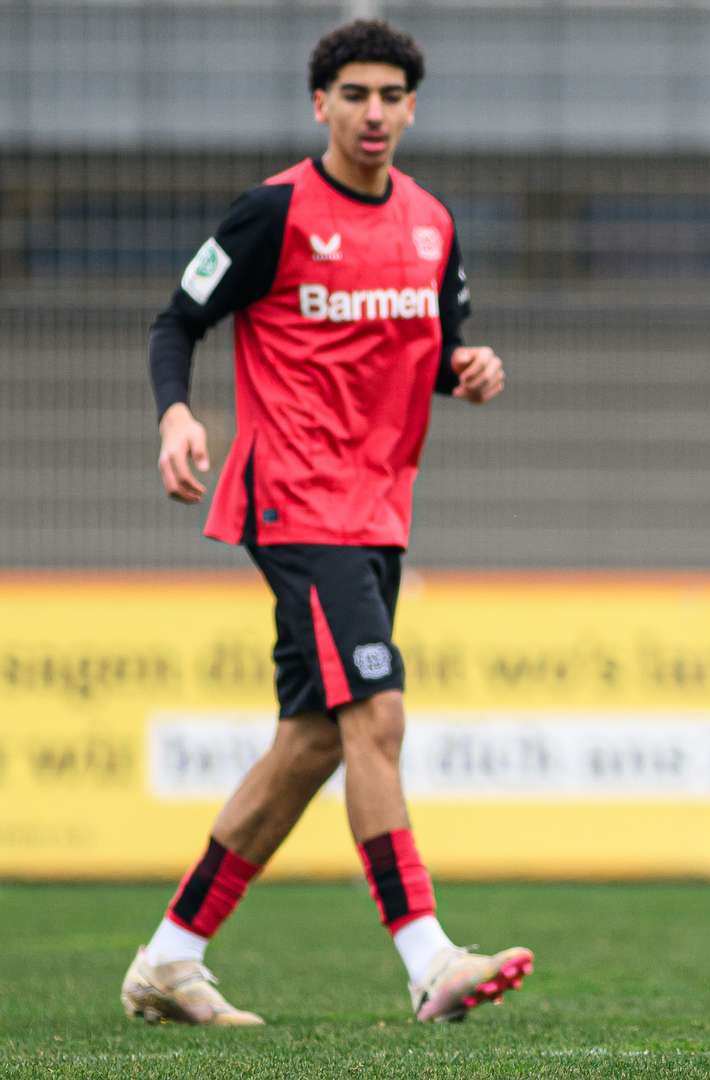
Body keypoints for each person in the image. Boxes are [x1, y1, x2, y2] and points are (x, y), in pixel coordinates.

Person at [121, 18, 530, 1027]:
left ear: (413, 106)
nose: (374, 112)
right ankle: (428, 957)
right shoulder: (273, 214)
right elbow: (179, 319)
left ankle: (170, 958)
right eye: (355, 95)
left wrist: (465, 370)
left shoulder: (433, 224)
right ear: (322, 106)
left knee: (310, 742)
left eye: (391, 95)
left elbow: (431, 346)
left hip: (378, 507)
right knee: (377, 714)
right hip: (294, 499)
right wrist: (177, 410)